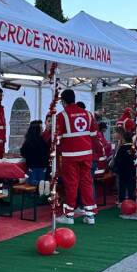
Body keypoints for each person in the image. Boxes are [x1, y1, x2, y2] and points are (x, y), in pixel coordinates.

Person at [51, 89, 97, 225]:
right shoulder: (88, 114)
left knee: (71, 184)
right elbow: (94, 135)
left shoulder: (62, 116)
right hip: (86, 154)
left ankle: (69, 215)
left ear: (63, 101)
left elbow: (57, 140)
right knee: (86, 183)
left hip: (70, 156)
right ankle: (90, 215)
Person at [111, 126, 137, 203]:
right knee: (131, 186)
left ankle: (121, 201)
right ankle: (132, 200)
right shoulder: (133, 148)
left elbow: (117, 159)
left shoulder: (122, 148)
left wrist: (115, 168)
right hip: (132, 171)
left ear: (124, 139)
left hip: (122, 171)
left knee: (122, 186)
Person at [19, 120, 49, 186]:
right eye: (41, 128)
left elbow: (23, 153)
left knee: (31, 183)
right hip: (42, 168)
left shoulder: (28, 142)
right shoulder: (43, 142)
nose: (42, 130)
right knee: (39, 184)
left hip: (32, 168)